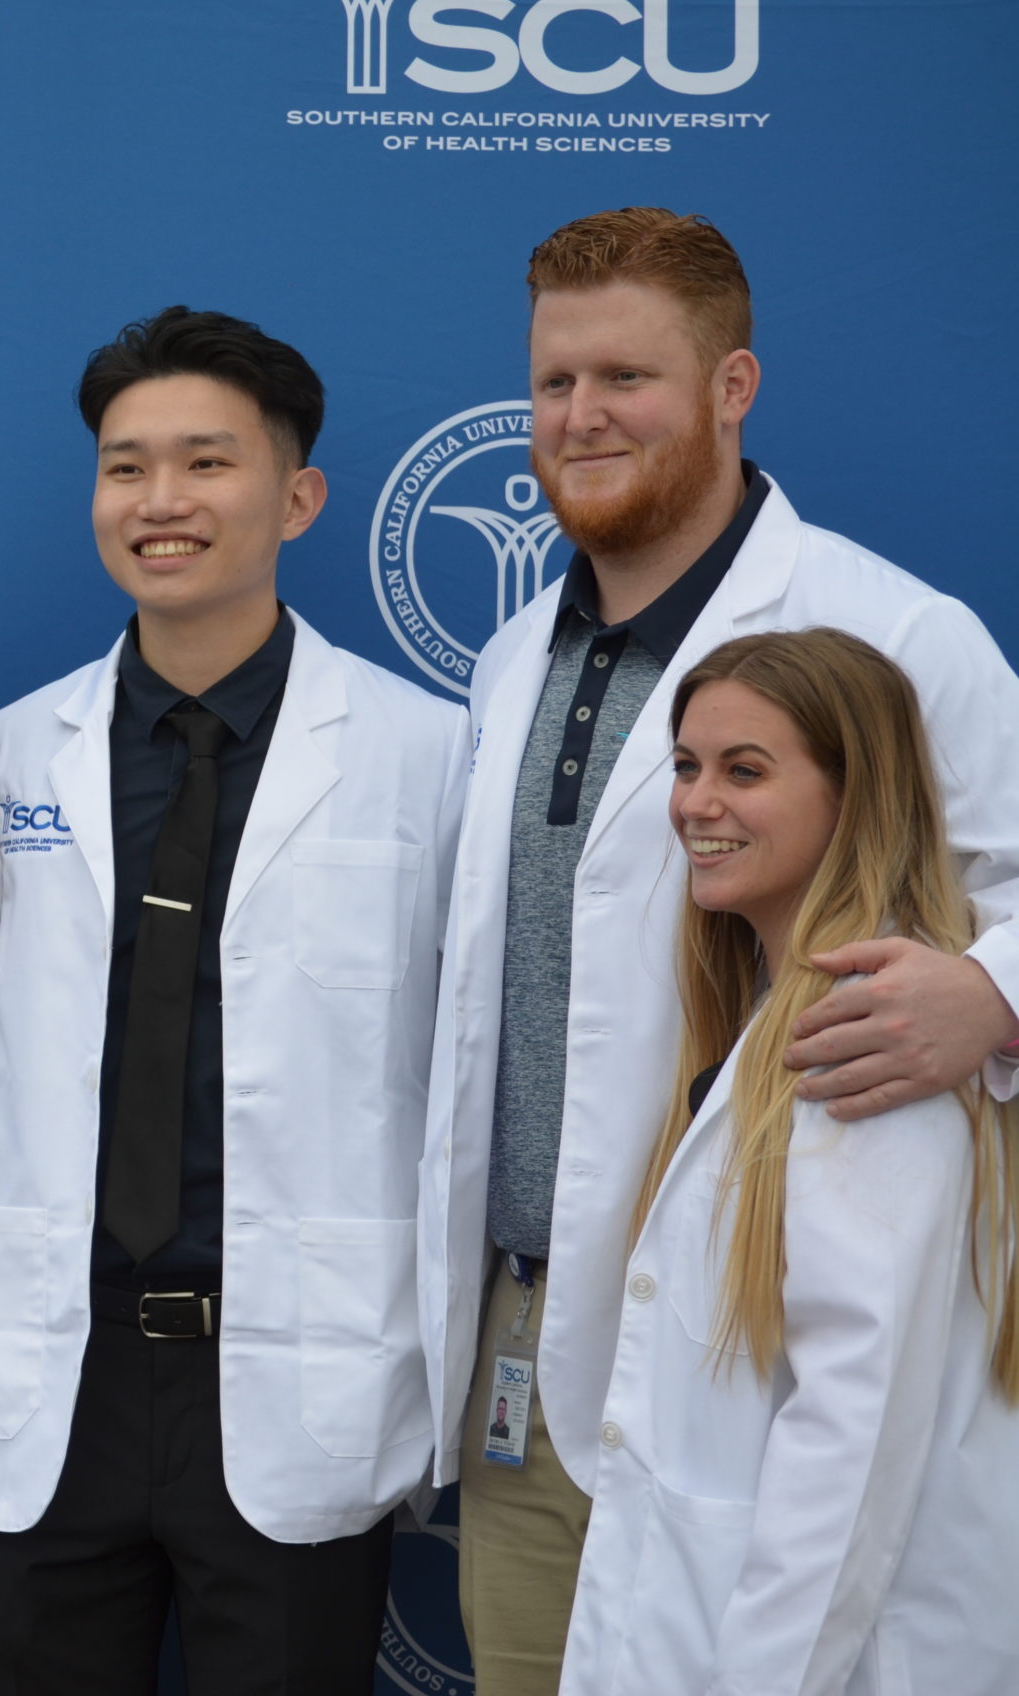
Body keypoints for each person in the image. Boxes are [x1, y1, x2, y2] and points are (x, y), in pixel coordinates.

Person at [416, 208, 1019, 1696]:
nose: (581, 417)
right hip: (526, 1335)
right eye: (555, 382)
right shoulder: (513, 661)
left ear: (733, 386)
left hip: (763, 1335)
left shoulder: (893, 629)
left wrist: (998, 990)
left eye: (627, 377)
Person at [0, 307, 465, 1694]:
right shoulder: (12, 755)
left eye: (206, 464)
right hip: (58, 1372)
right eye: (126, 467)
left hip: (293, 1359)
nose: (161, 502)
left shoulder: (428, 754)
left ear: (297, 497)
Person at [560, 628, 1019, 1694]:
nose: (695, 804)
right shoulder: (771, 1015)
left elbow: (844, 1460)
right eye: (685, 766)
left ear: (853, 795)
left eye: (745, 771)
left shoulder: (866, 1051)